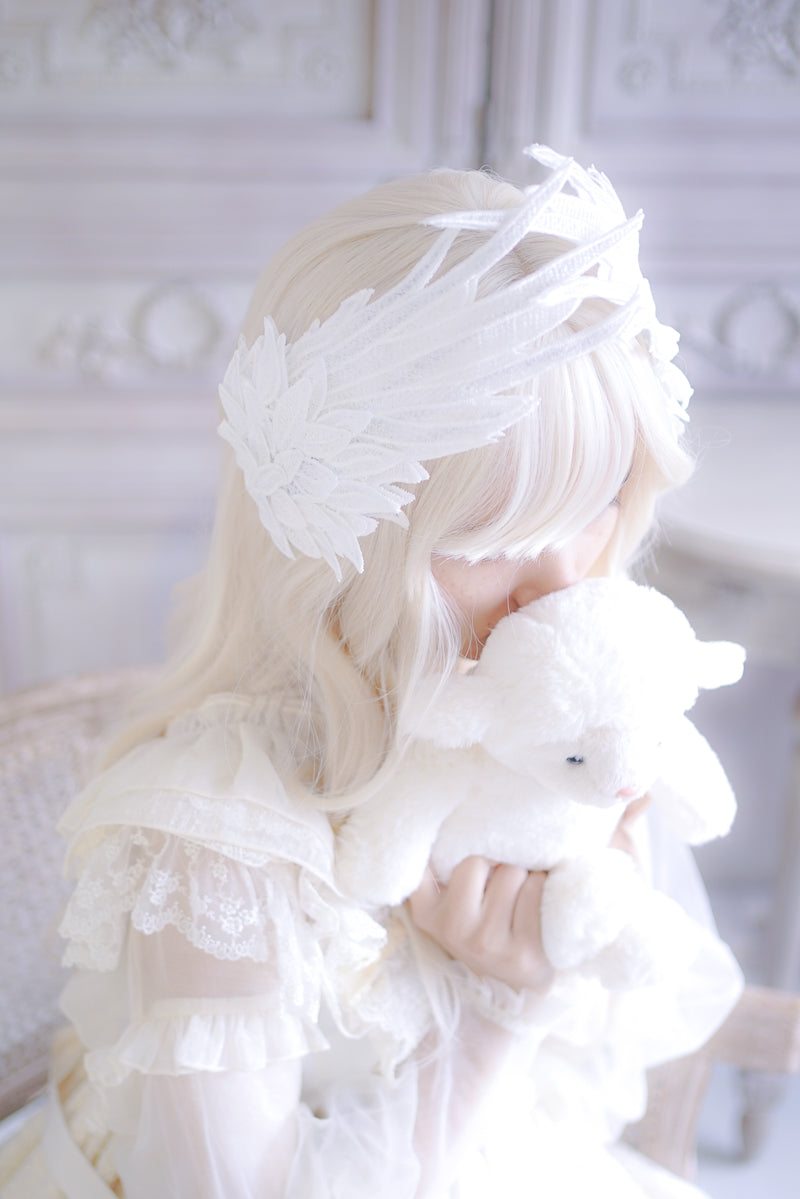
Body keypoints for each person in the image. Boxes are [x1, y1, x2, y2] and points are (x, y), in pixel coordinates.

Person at [0, 146, 742, 1198]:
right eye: (493, 544)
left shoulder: (565, 704)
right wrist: (496, 1002)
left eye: (597, 506)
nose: (562, 587)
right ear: (336, 547)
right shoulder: (220, 843)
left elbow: (615, 1039)